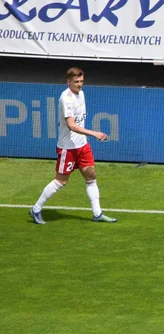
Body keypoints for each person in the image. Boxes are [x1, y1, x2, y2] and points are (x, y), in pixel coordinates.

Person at [30, 68, 116, 225]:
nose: (79, 85)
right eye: (76, 82)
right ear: (68, 82)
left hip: (82, 145)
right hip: (67, 148)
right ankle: (36, 209)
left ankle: (97, 213)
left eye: (81, 81)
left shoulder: (81, 94)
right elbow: (71, 125)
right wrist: (94, 133)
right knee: (61, 182)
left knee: (91, 175)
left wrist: (86, 137)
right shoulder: (66, 98)